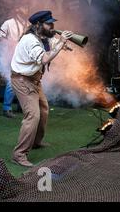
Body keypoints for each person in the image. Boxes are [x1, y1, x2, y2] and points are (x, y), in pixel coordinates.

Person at [10, 10, 73, 167]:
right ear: (38, 25)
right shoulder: (30, 40)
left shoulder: (43, 37)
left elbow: (51, 45)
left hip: (34, 80)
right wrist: (60, 43)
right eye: (48, 23)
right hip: (22, 80)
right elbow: (45, 58)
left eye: (52, 23)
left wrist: (63, 45)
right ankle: (19, 154)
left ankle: (36, 141)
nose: (52, 26)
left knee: (44, 109)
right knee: (33, 115)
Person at [0, 3, 30, 118]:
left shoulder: (28, 24)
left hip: (24, 57)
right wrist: (8, 43)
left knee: (24, 82)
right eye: (24, 7)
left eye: (27, 7)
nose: (26, 9)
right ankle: (6, 108)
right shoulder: (8, 23)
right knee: (12, 82)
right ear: (17, 8)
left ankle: (20, 106)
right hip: (12, 57)